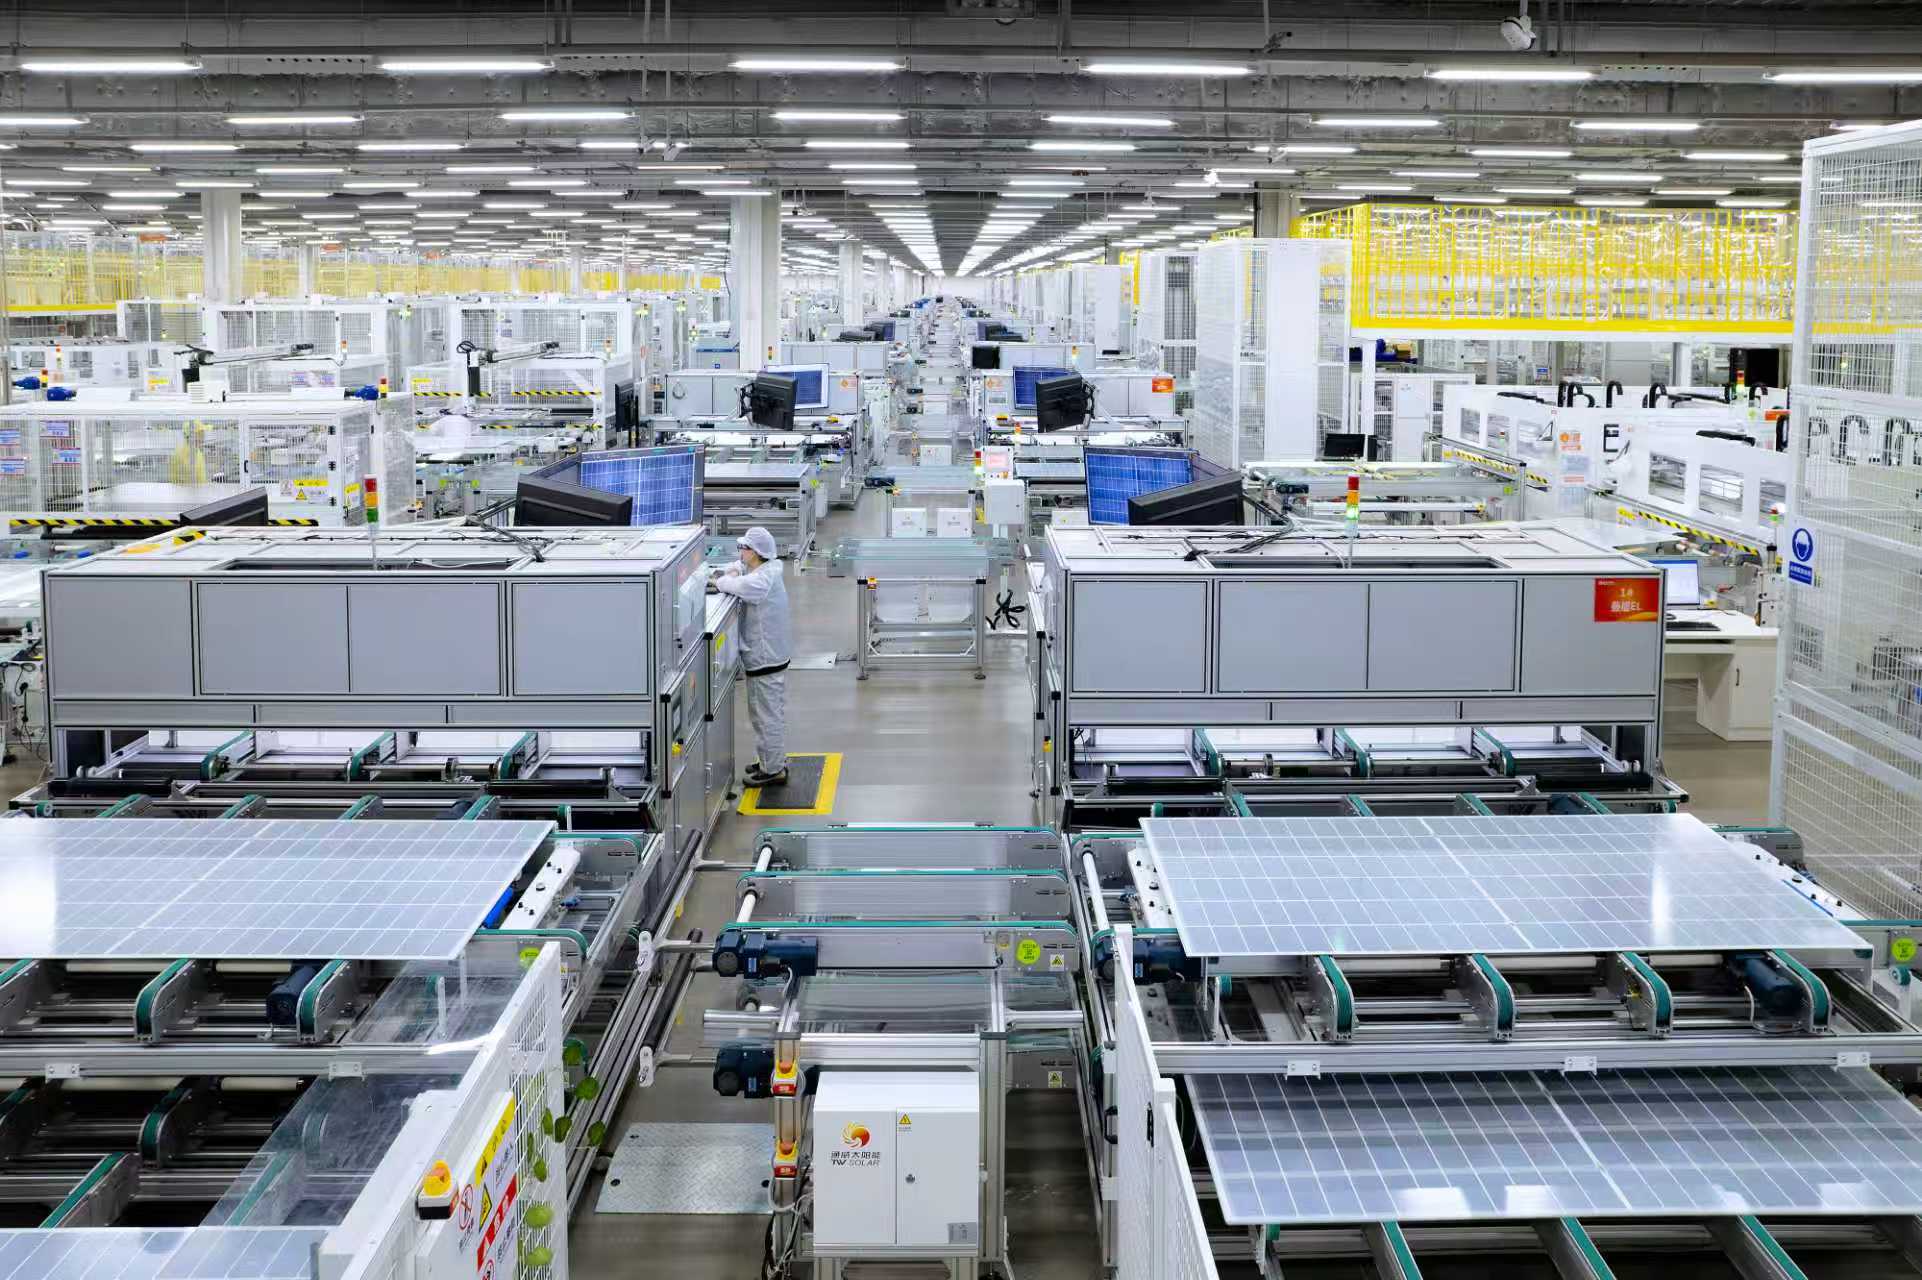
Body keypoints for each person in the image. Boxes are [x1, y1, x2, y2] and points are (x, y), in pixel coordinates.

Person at [709, 526, 792, 787]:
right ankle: (769, 759)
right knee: (765, 713)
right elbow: (736, 569)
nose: (740, 553)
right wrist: (731, 570)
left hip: (766, 658)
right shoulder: (764, 567)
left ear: (755, 552)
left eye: (743, 548)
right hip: (770, 656)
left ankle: (773, 769)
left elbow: (733, 583)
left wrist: (719, 580)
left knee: (766, 716)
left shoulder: (760, 581)